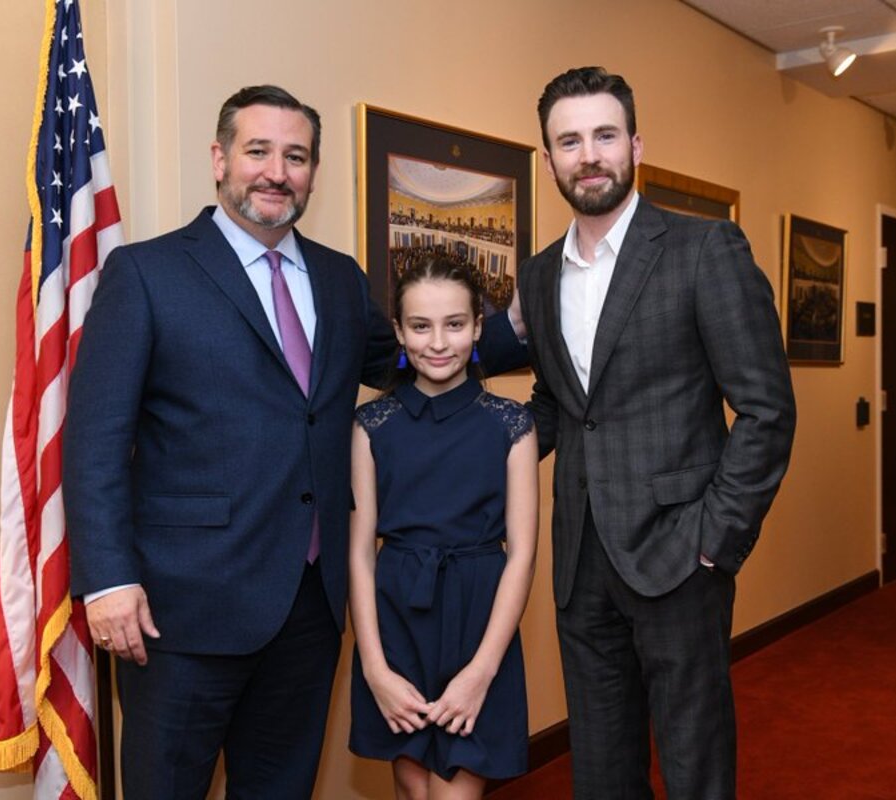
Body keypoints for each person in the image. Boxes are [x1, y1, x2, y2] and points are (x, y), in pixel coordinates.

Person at [63, 85, 525, 799]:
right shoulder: (149, 274)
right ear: (219, 160)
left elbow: (402, 363)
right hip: (182, 612)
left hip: (310, 609)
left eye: (297, 156)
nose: (277, 172)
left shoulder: (340, 280)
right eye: (258, 152)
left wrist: (505, 330)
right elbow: (96, 437)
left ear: (312, 170)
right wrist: (108, 579)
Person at [516, 67, 796, 799]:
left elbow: (766, 410)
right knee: (602, 769)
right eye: (569, 141)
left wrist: (715, 538)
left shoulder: (706, 249)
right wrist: (473, 450)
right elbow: (559, 401)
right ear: (547, 160)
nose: (589, 156)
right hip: (580, 560)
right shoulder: (539, 276)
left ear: (636, 142)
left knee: (693, 763)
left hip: (681, 554)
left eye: (604, 135)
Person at [348, 256, 539, 799]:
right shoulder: (372, 425)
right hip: (396, 622)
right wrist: (374, 669)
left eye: (455, 324)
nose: (438, 343)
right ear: (399, 332)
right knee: (414, 792)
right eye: (421, 326)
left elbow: (522, 553)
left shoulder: (511, 423)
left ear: (479, 327)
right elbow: (360, 553)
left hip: (480, 624)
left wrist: (482, 671)